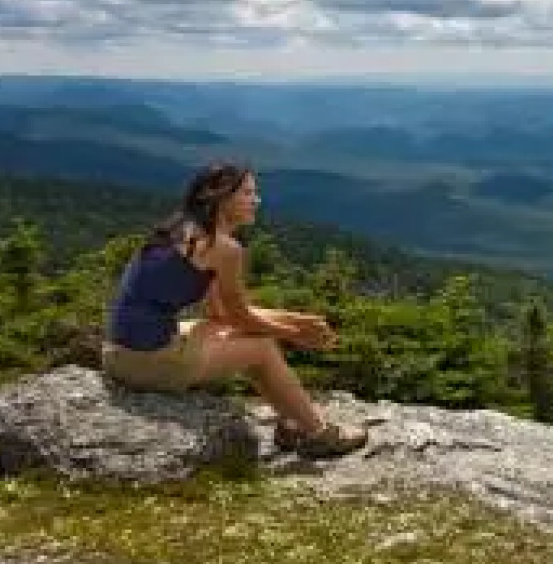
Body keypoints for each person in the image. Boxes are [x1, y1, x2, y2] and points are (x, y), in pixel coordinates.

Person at [102, 161, 368, 459]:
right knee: (263, 348)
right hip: (148, 362)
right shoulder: (221, 248)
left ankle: (292, 421)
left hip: (120, 353)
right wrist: (295, 334)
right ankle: (319, 434)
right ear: (218, 196)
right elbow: (240, 316)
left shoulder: (183, 229)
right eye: (247, 193)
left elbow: (221, 315)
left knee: (226, 331)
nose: (256, 200)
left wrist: (301, 320)